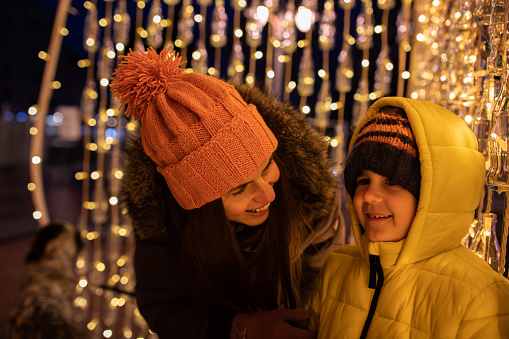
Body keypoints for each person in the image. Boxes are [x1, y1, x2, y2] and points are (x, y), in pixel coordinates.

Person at [110, 47, 345, 339]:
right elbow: (163, 306)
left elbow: (331, 294)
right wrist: (239, 328)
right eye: (239, 189)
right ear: (200, 204)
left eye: (267, 166)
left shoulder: (310, 197)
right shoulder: (163, 220)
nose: (268, 195)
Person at [308, 97, 509, 338]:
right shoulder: (337, 268)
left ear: (433, 194)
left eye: (392, 181)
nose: (369, 195)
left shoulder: (481, 296)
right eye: (363, 181)